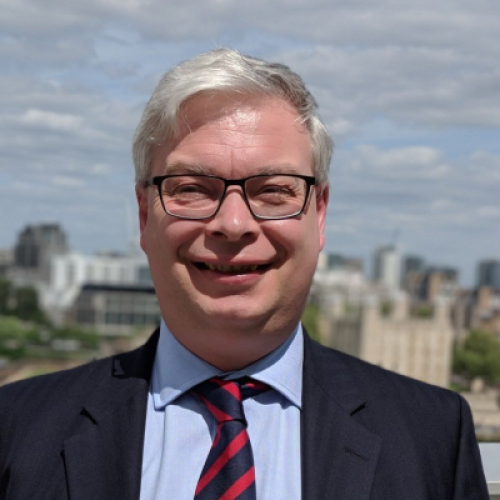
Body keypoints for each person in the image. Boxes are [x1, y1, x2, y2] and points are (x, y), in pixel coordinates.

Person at [0, 49, 488, 500]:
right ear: (144, 215)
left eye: (273, 190)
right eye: (192, 188)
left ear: (319, 213)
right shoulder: (16, 427)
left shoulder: (432, 435)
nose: (233, 224)